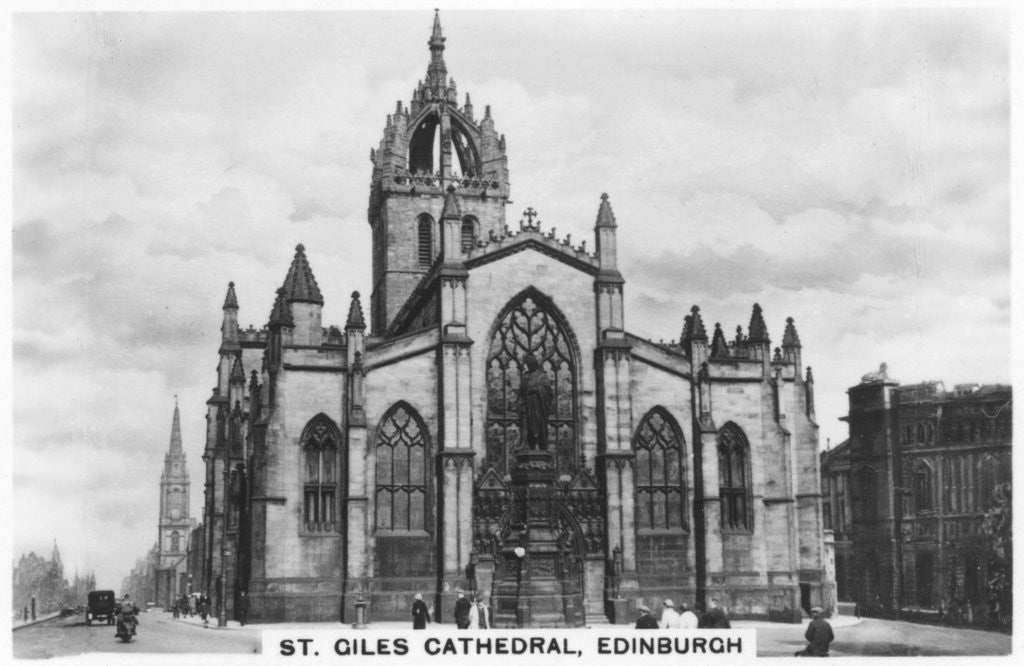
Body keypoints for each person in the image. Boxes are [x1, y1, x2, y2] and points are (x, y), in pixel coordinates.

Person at [520, 355, 553, 450]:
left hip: (539, 406)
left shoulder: (542, 376)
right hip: (527, 405)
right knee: (528, 426)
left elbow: (549, 393)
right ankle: (529, 446)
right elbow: (521, 393)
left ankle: (542, 447)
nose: (528, 366)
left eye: (529, 364)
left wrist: (537, 389)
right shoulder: (526, 376)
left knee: (540, 426)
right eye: (527, 365)